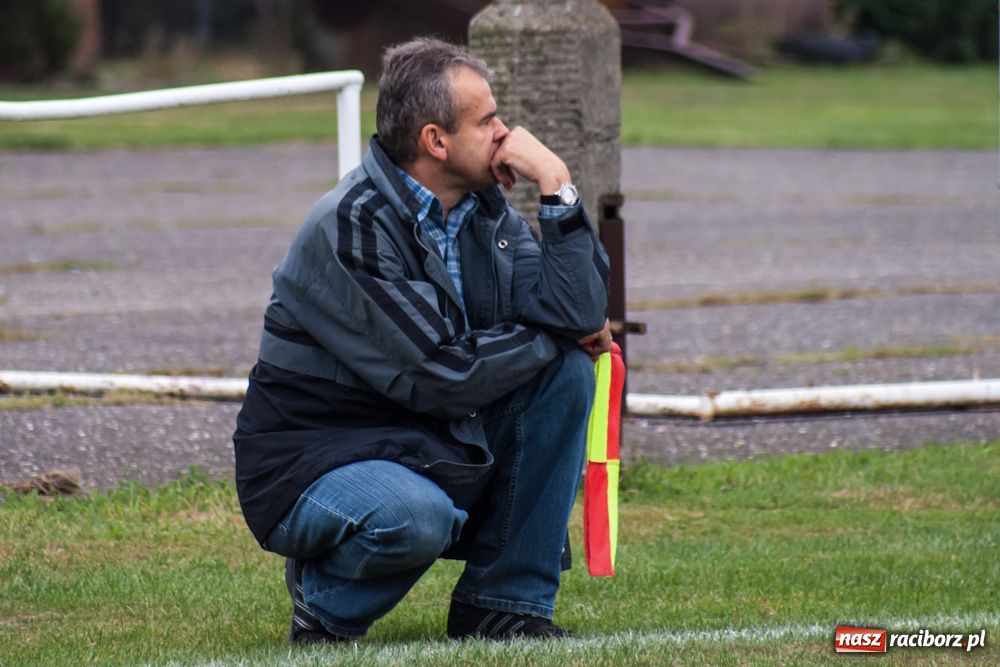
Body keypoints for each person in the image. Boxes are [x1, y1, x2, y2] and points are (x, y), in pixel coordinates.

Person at [233, 37, 611, 644]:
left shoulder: (485, 213)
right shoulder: (351, 224)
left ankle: (502, 604)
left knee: (565, 377)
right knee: (415, 517)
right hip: (315, 458)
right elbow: (442, 373)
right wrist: (558, 334)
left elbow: (583, 309)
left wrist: (558, 187)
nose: (505, 132)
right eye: (487, 119)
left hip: (419, 437)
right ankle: (324, 603)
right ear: (436, 141)